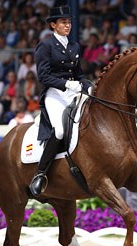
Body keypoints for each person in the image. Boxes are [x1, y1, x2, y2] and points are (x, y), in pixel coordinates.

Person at [29, 5, 91, 196]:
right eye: (63, 22)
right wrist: (67, 84)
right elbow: (44, 77)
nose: (67, 25)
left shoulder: (74, 46)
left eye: (69, 22)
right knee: (60, 130)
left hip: (73, 93)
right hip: (55, 94)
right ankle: (40, 174)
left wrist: (87, 83)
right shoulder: (45, 46)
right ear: (53, 25)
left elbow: (78, 73)